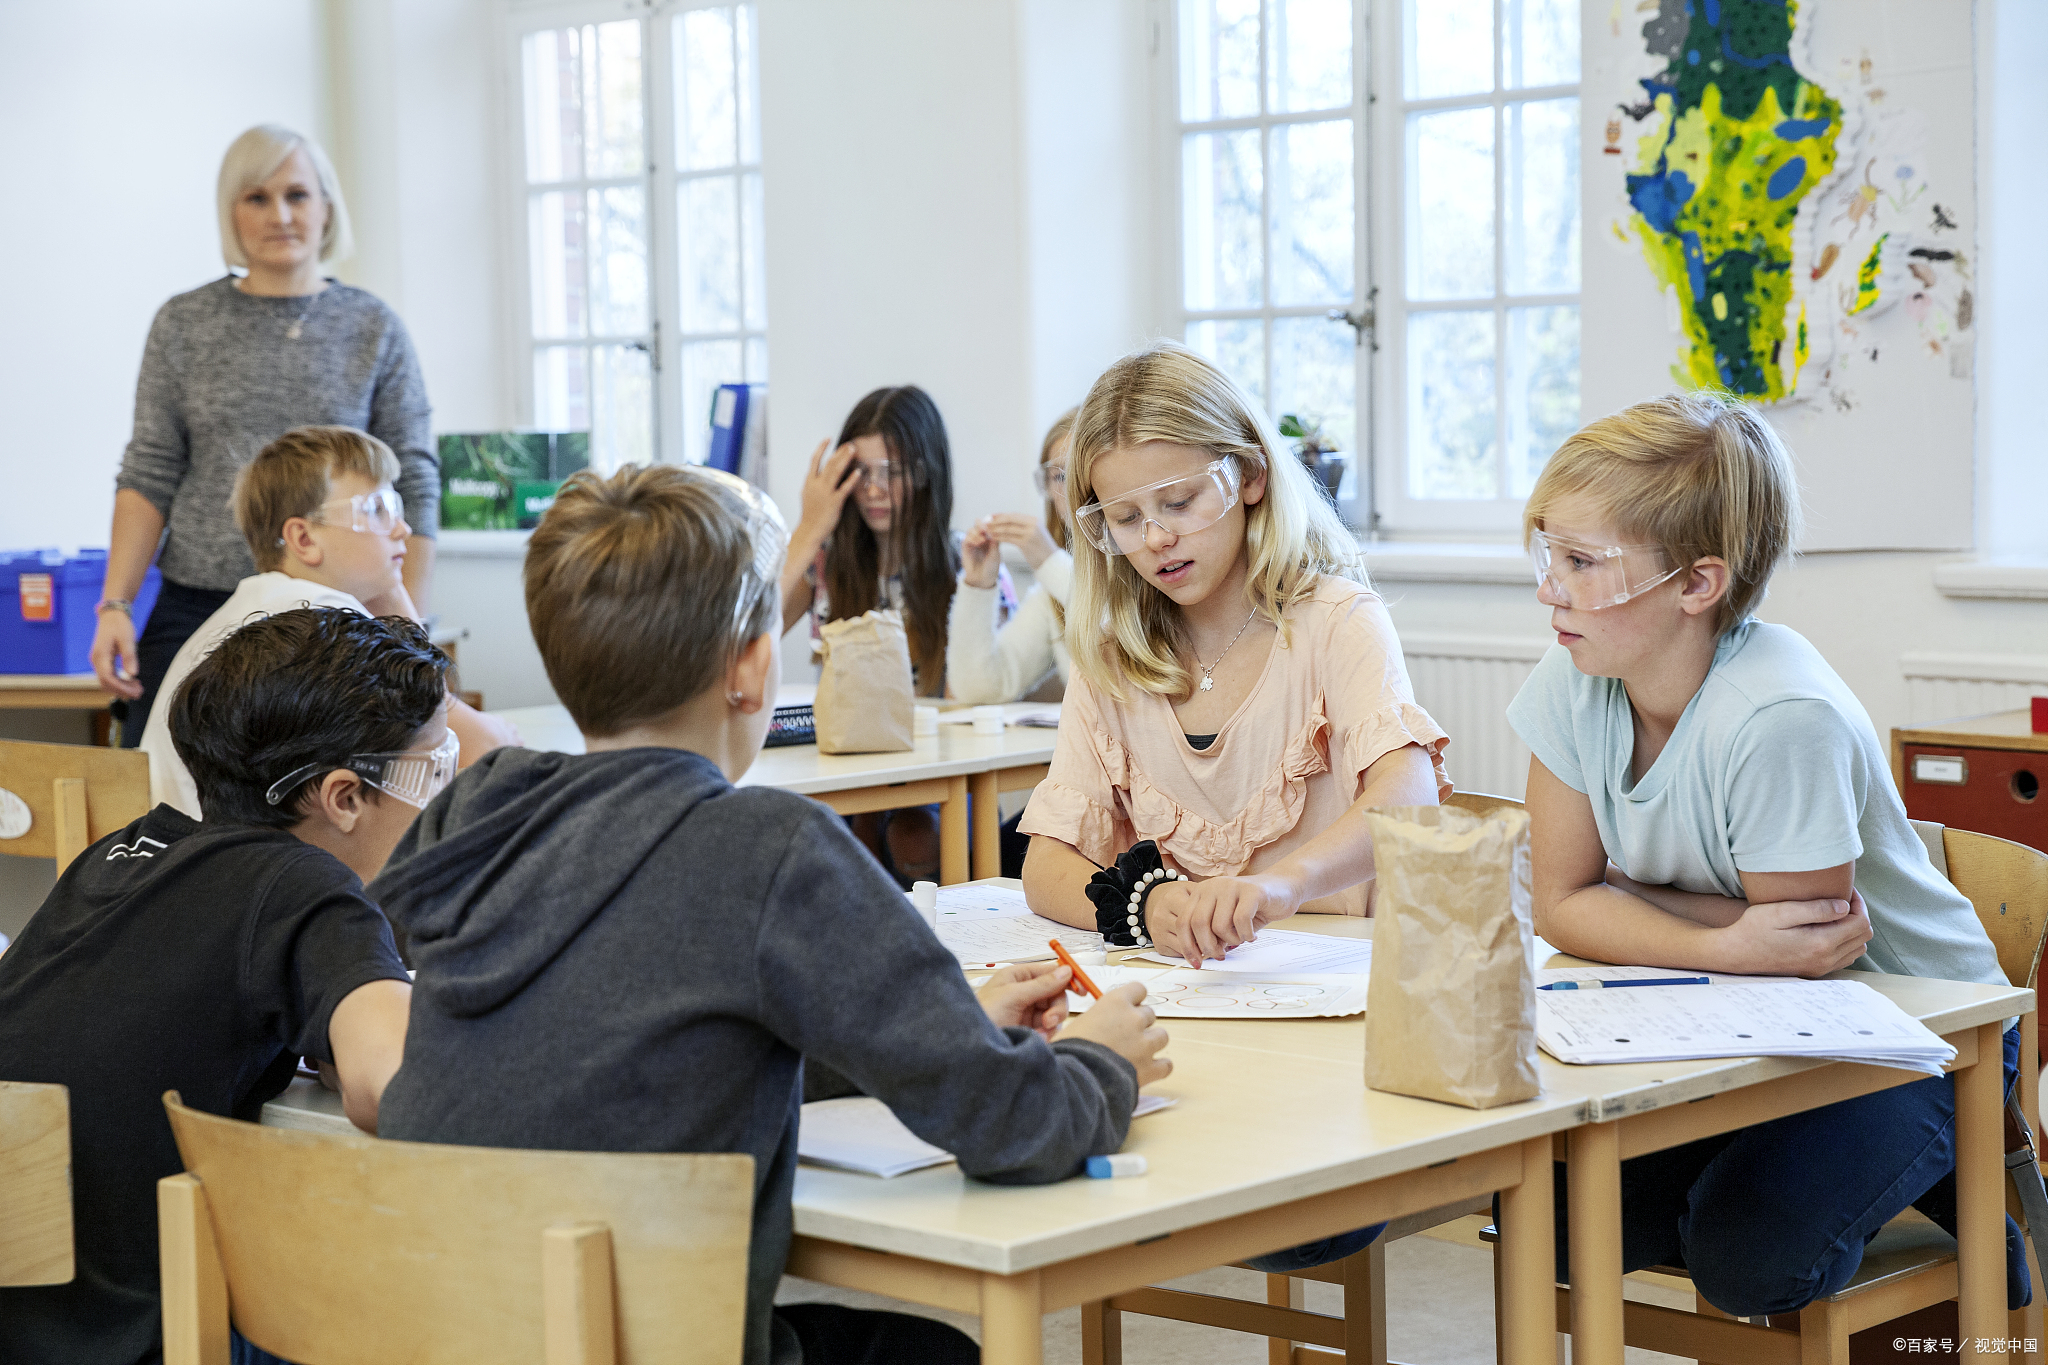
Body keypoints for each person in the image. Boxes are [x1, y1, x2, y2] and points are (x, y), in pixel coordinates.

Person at [368, 462, 1170, 1365]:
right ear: (753, 669)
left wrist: (932, 1032)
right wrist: (1104, 1062)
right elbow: (1011, 1126)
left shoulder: (477, 813)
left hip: (444, 1327)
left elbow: (655, 1029)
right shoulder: (768, 847)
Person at [1508, 390, 2029, 1315]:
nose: (1550, 587)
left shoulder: (1781, 715)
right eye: (1549, 552)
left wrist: (1629, 899)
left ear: (1696, 585)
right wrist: (1724, 937)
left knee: (1751, 1263)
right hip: (1723, 1007)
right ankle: (1882, 1179)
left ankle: (1962, 1171)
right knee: (1541, 1219)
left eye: (1582, 561)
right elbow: (1562, 904)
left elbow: (1807, 951)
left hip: (1919, 1031)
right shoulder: (1575, 671)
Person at [0, 608, 430, 1365]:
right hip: (127, 1333)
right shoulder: (306, 884)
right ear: (344, 796)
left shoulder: (121, 852)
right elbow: (390, 1084)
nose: (438, 800)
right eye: (432, 772)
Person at [92, 124, 443, 747]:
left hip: (337, 611)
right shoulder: (183, 324)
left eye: (298, 195)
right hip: (198, 605)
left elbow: (412, 478)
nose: (279, 214)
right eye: (257, 197)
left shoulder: (374, 327)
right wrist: (115, 606)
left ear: (327, 208)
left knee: (326, 794)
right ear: (231, 211)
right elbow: (149, 470)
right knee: (157, 778)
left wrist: (402, 622)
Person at [138, 426, 514, 819]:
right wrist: (395, 596)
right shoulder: (319, 619)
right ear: (303, 539)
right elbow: (472, 743)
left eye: (397, 507)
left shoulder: (259, 605)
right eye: (376, 509)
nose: (402, 529)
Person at [779, 385, 1007, 882]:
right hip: (843, 768)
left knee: (913, 833)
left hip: (933, 771)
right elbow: (749, 632)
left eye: (895, 472)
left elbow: (985, 691)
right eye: (862, 473)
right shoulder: (826, 564)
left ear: (928, 473)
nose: (875, 490)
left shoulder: (964, 562)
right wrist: (810, 527)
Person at [948, 407, 1078, 704]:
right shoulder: (1052, 595)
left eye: (1082, 470)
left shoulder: (1143, 564)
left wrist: (1048, 561)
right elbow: (979, 689)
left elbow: (1117, 631)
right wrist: (978, 586)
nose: (1071, 489)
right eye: (1058, 476)